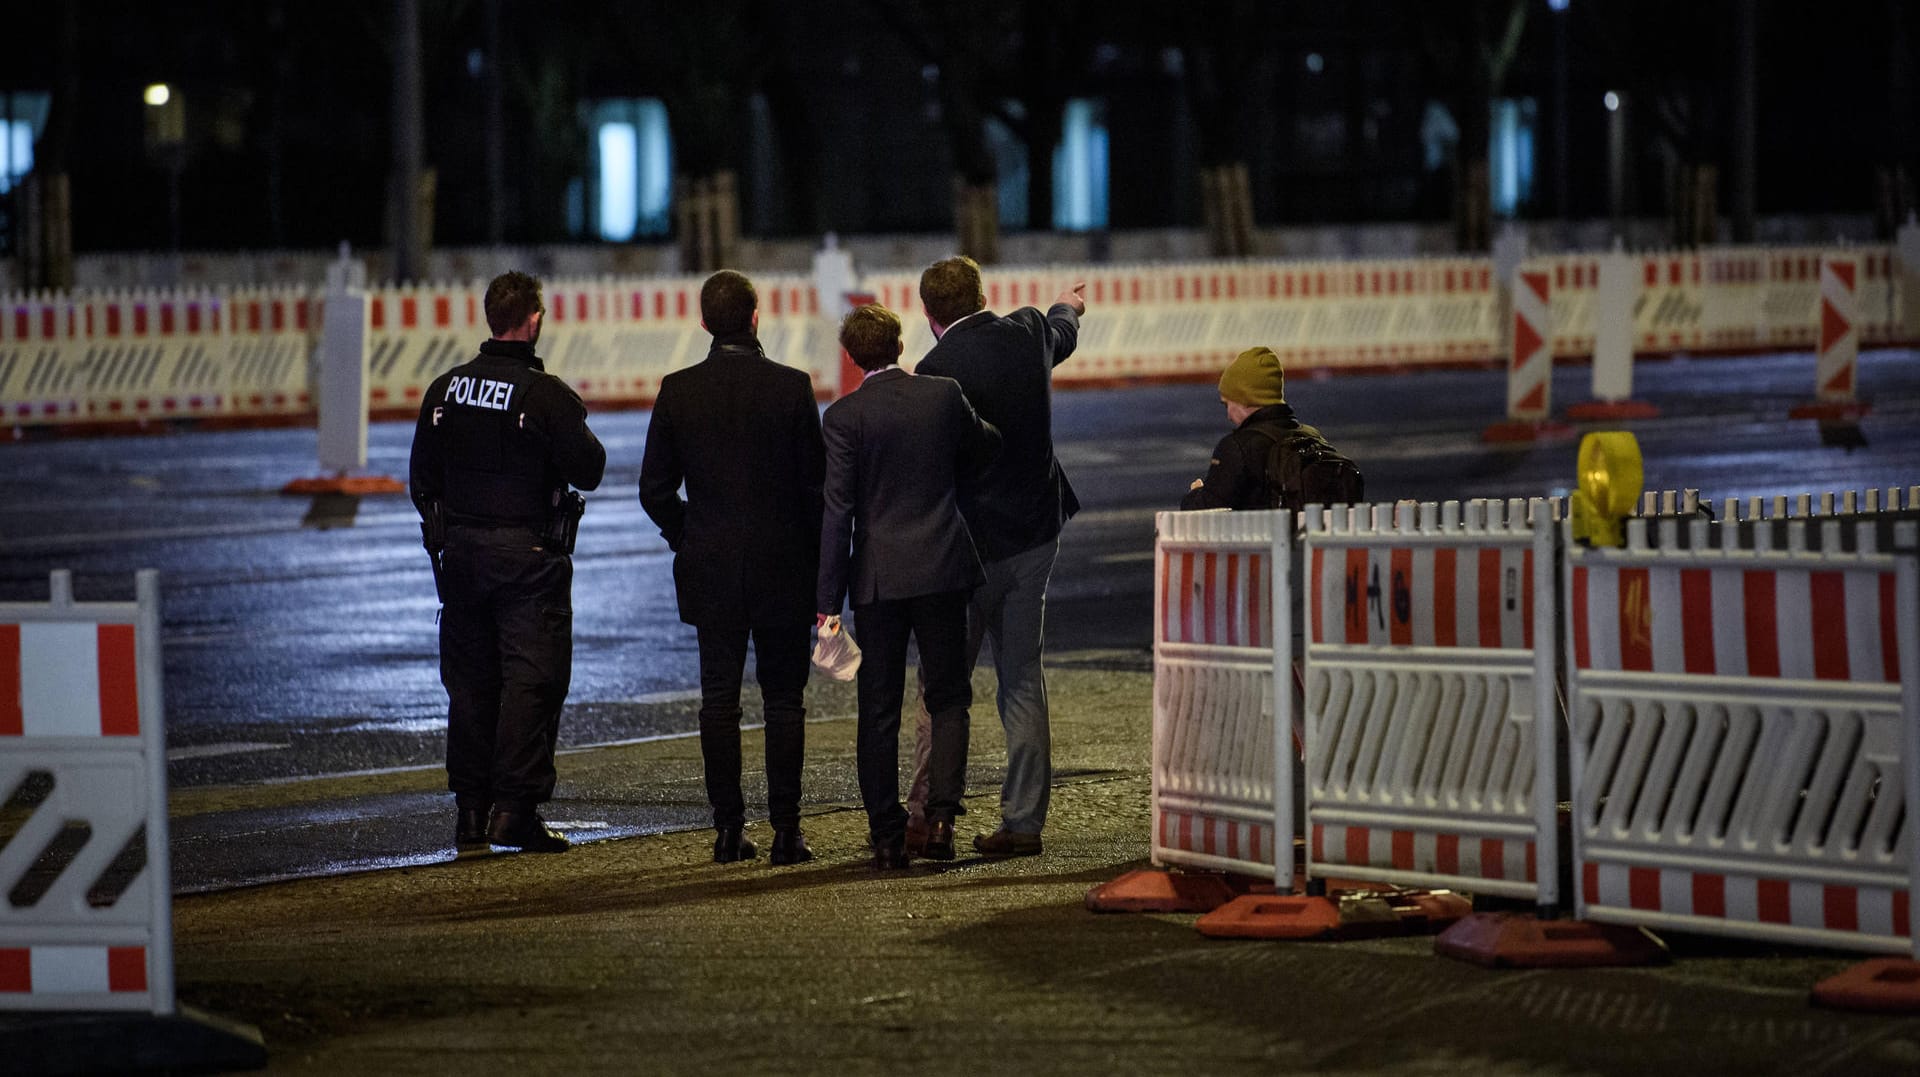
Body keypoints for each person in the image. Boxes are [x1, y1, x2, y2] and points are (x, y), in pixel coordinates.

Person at [409, 270, 606, 855]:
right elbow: (589, 469)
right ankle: (514, 811)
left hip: (462, 558)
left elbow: (422, 481)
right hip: (529, 558)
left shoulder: (445, 390)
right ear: (534, 320)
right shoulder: (545, 395)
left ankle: (470, 812)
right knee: (533, 682)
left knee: (470, 684)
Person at [639, 269, 825, 866]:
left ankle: (727, 830)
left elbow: (654, 490)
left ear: (703, 323)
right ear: (755, 316)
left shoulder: (677, 389)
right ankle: (788, 832)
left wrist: (686, 533)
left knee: (718, 699)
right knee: (784, 700)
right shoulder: (792, 388)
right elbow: (816, 490)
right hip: (782, 566)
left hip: (711, 564)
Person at [908, 256, 1084, 857]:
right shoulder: (1029, 331)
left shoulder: (934, 370)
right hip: (1036, 536)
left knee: (944, 687)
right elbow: (1062, 331)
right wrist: (1067, 303)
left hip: (968, 553)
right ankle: (1024, 821)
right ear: (984, 295)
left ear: (931, 316)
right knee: (1022, 679)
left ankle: (932, 818)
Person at [817, 303, 1000, 869]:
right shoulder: (942, 395)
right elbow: (987, 444)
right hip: (944, 566)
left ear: (852, 356)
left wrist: (827, 603)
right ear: (899, 345)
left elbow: (837, 513)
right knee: (947, 696)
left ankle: (887, 833)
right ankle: (942, 818)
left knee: (878, 709)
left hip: (879, 579)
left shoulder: (844, 417)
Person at [1180, 345, 1357, 512]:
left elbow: (1209, 508)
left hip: (1271, 543)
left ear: (1243, 398)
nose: (1228, 415)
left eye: (1227, 404)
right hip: (1320, 542)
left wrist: (1196, 494)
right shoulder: (1313, 437)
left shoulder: (1237, 447)